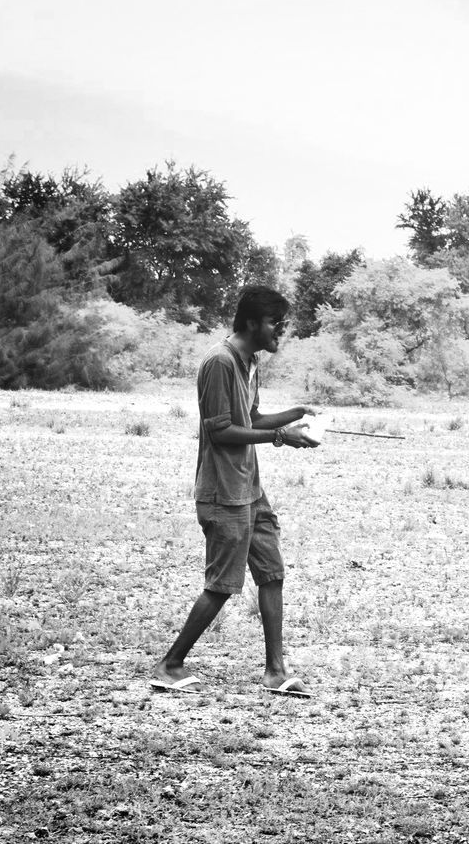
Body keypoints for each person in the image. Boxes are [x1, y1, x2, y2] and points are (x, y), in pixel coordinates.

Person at [151, 285, 319, 697]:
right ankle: (169, 665)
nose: (281, 331)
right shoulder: (219, 363)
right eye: (275, 323)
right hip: (222, 492)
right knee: (223, 584)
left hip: (250, 488)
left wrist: (295, 415)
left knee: (272, 573)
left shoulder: (250, 362)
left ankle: (275, 673)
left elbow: (253, 417)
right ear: (251, 323)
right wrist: (283, 436)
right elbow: (221, 430)